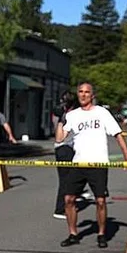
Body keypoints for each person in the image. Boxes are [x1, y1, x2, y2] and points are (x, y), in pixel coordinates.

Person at [54, 82, 127, 248]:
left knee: (100, 201)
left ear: (92, 95)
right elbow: (60, 139)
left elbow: (118, 135)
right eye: (80, 92)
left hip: (98, 163)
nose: (83, 95)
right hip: (78, 163)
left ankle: (101, 234)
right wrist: (61, 120)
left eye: (86, 92)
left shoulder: (102, 113)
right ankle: (73, 233)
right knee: (68, 199)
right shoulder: (73, 115)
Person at [52, 91, 76, 220]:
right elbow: (59, 138)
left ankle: (71, 200)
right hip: (64, 149)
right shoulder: (62, 115)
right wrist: (62, 119)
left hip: (68, 148)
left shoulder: (68, 114)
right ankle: (60, 209)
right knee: (65, 180)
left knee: (73, 178)